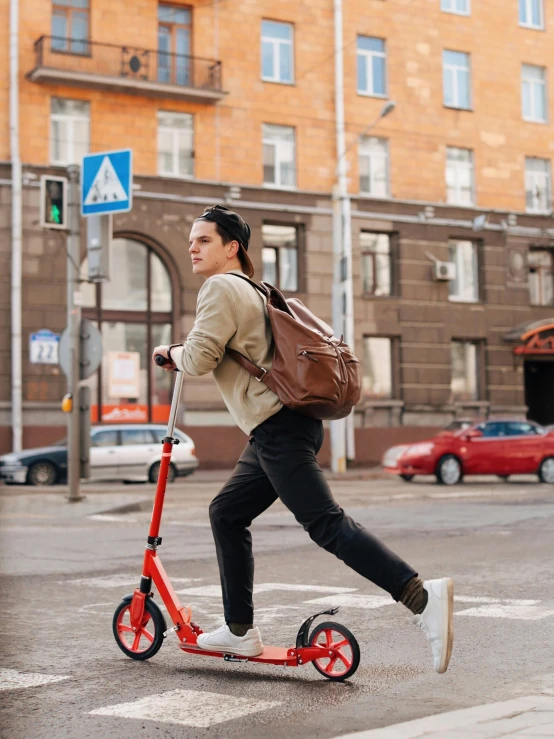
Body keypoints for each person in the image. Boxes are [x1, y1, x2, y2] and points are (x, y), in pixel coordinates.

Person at [152, 204, 454, 674]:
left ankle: (418, 596)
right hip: (284, 426)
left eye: (204, 240)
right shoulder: (257, 290)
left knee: (326, 524)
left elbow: (199, 358)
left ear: (232, 248)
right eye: (191, 240)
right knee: (226, 513)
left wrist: (169, 351)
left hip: (278, 429)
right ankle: (239, 630)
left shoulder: (221, 287)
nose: (192, 247)